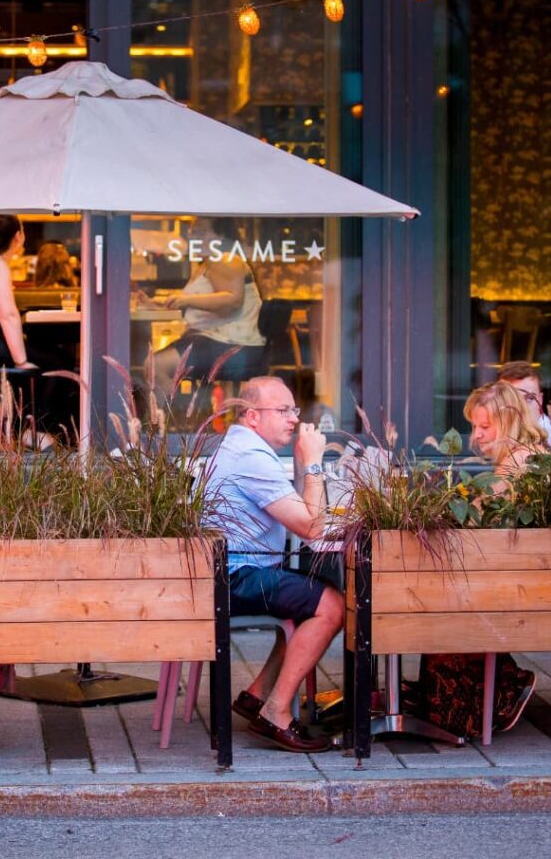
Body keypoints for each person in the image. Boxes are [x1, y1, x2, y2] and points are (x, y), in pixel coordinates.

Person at [200, 376, 343, 753]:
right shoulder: (250, 457)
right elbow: (312, 526)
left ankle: (257, 694)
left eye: (294, 410)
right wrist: (314, 463)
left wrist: (300, 465)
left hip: (231, 570)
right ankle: (276, 712)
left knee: (305, 600)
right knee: (331, 606)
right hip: (235, 574)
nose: (293, 419)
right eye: (282, 411)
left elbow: (301, 513)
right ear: (251, 416)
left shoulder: (246, 447)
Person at [412, 381, 540, 739]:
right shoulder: (524, 457)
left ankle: (500, 689)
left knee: (436, 603)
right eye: (474, 426)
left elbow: (477, 523)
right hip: (525, 578)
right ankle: (496, 684)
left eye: (485, 427)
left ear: (510, 422)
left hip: (522, 586)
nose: (477, 435)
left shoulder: (517, 464)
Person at [0, 214, 74, 433]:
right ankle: (38, 430)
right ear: (18, 236)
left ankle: (35, 428)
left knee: (56, 358)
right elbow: (7, 315)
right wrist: (21, 361)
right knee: (60, 361)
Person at [141, 218, 266, 396]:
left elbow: (232, 301)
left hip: (230, 343)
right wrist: (155, 302)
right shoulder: (208, 262)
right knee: (153, 364)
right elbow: (197, 299)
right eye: (192, 233)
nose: (193, 238)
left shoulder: (225, 260)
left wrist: (186, 301)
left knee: (156, 366)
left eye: (201, 233)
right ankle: (176, 416)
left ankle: (170, 418)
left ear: (220, 236)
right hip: (217, 338)